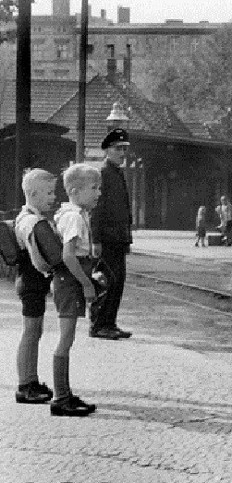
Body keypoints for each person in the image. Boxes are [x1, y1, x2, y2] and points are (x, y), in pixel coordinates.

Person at [51, 162, 102, 416]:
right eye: (94, 188)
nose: (98, 193)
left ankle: (64, 393)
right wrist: (86, 284)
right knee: (66, 338)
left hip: (70, 281)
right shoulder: (73, 217)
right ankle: (60, 398)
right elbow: (69, 256)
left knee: (67, 338)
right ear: (74, 190)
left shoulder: (77, 213)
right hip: (70, 282)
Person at [13, 169, 61, 404]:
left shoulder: (26, 217)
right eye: (49, 192)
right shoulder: (33, 222)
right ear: (32, 194)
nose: (53, 197)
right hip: (31, 282)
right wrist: (50, 271)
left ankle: (30, 380)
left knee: (34, 331)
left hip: (31, 282)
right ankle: (25, 384)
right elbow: (39, 258)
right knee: (31, 333)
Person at [90, 128, 133, 340]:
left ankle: (110, 322)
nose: (122, 152)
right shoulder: (103, 173)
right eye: (118, 148)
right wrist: (95, 239)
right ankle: (99, 324)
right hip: (106, 238)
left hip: (118, 238)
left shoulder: (116, 172)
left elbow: (123, 210)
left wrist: (127, 239)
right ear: (107, 150)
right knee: (106, 281)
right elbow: (97, 209)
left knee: (118, 281)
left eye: (125, 149)